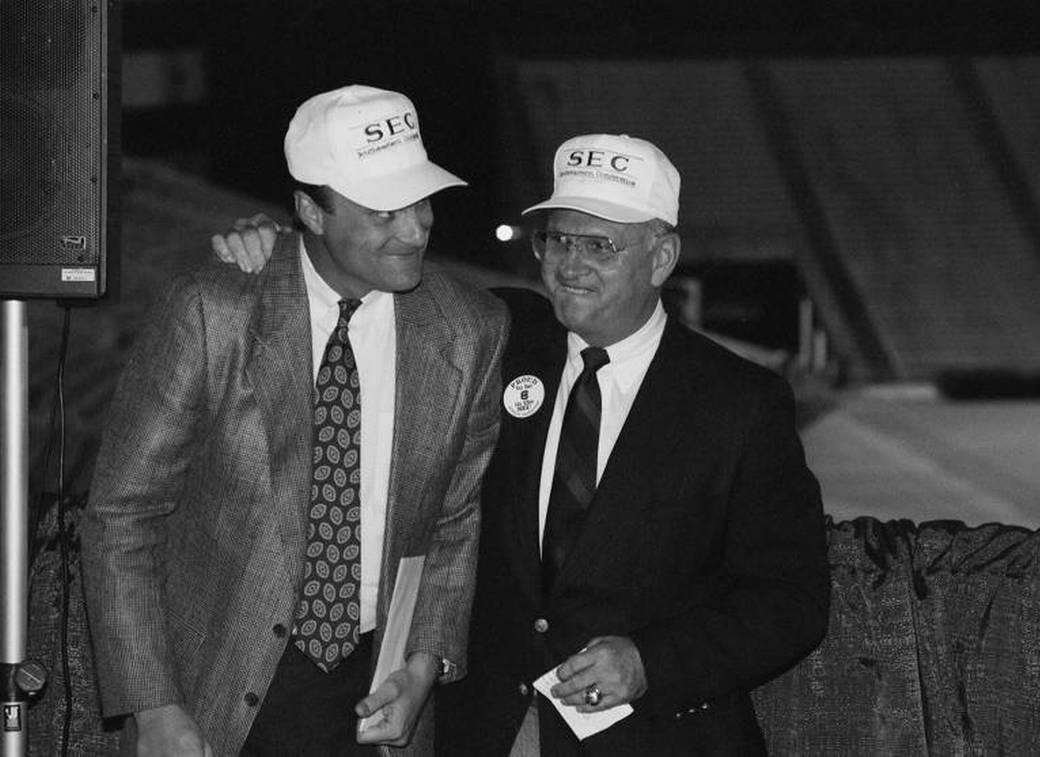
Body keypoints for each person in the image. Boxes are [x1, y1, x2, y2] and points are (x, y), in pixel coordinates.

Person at [213, 133, 830, 755]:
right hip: (482, 731)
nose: (570, 263)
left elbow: (790, 599)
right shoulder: (495, 334)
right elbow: (366, 268)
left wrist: (650, 661)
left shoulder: (739, 402)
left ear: (662, 257)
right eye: (558, 239)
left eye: (600, 245)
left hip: (654, 738)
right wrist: (290, 245)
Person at [81, 84, 508, 757]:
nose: (416, 227)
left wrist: (424, 662)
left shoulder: (469, 328)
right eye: (383, 211)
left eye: (422, 201)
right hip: (215, 693)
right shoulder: (214, 311)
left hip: (376, 694)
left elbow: (454, 520)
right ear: (311, 209)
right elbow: (120, 516)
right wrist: (154, 704)